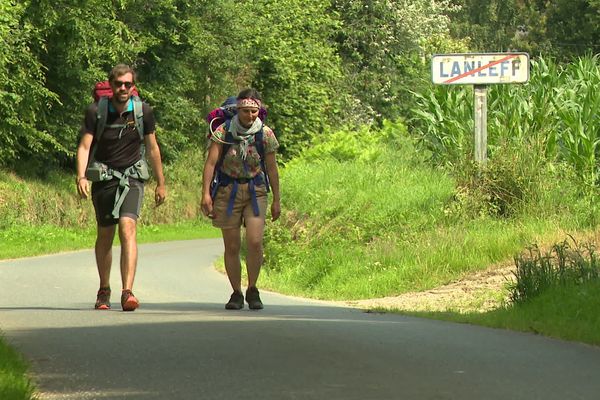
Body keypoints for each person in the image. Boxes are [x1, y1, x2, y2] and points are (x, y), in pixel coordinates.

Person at [76, 64, 166, 311]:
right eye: (119, 84)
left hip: (133, 178)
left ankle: (128, 291)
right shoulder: (96, 111)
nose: (123, 88)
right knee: (106, 234)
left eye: (128, 84)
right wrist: (81, 176)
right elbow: (84, 146)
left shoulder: (142, 111)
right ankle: (104, 290)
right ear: (112, 84)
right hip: (104, 179)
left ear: (132, 86)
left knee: (128, 227)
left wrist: (161, 182)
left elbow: (152, 147)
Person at [201, 88, 280, 310]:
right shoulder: (223, 131)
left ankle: (253, 288)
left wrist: (277, 200)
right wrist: (206, 193)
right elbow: (210, 163)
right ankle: (236, 292)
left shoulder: (265, 134)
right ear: (238, 109)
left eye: (254, 111)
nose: (250, 115)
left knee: (254, 242)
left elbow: (272, 169)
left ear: (259, 110)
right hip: (227, 191)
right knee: (232, 245)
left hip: (256, 190)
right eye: (245, 111)